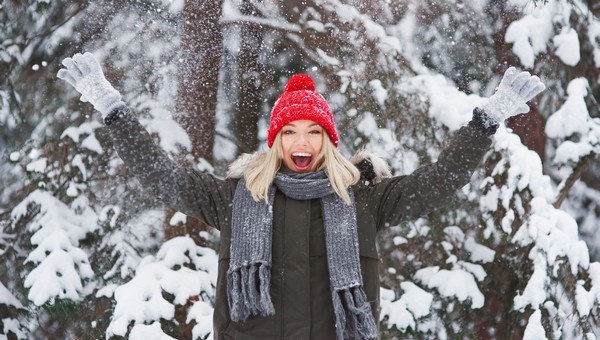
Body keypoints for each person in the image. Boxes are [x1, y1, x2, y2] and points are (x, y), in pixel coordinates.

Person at [57, 52, 544, 339]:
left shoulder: (362, 199)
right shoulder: (237, 197)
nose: (303, 143)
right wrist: (112, 107)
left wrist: (487, 120)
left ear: (328, 140)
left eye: (314, 131)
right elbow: (163, 176)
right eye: (291, 132)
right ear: (277, 140)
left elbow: (437, 181)